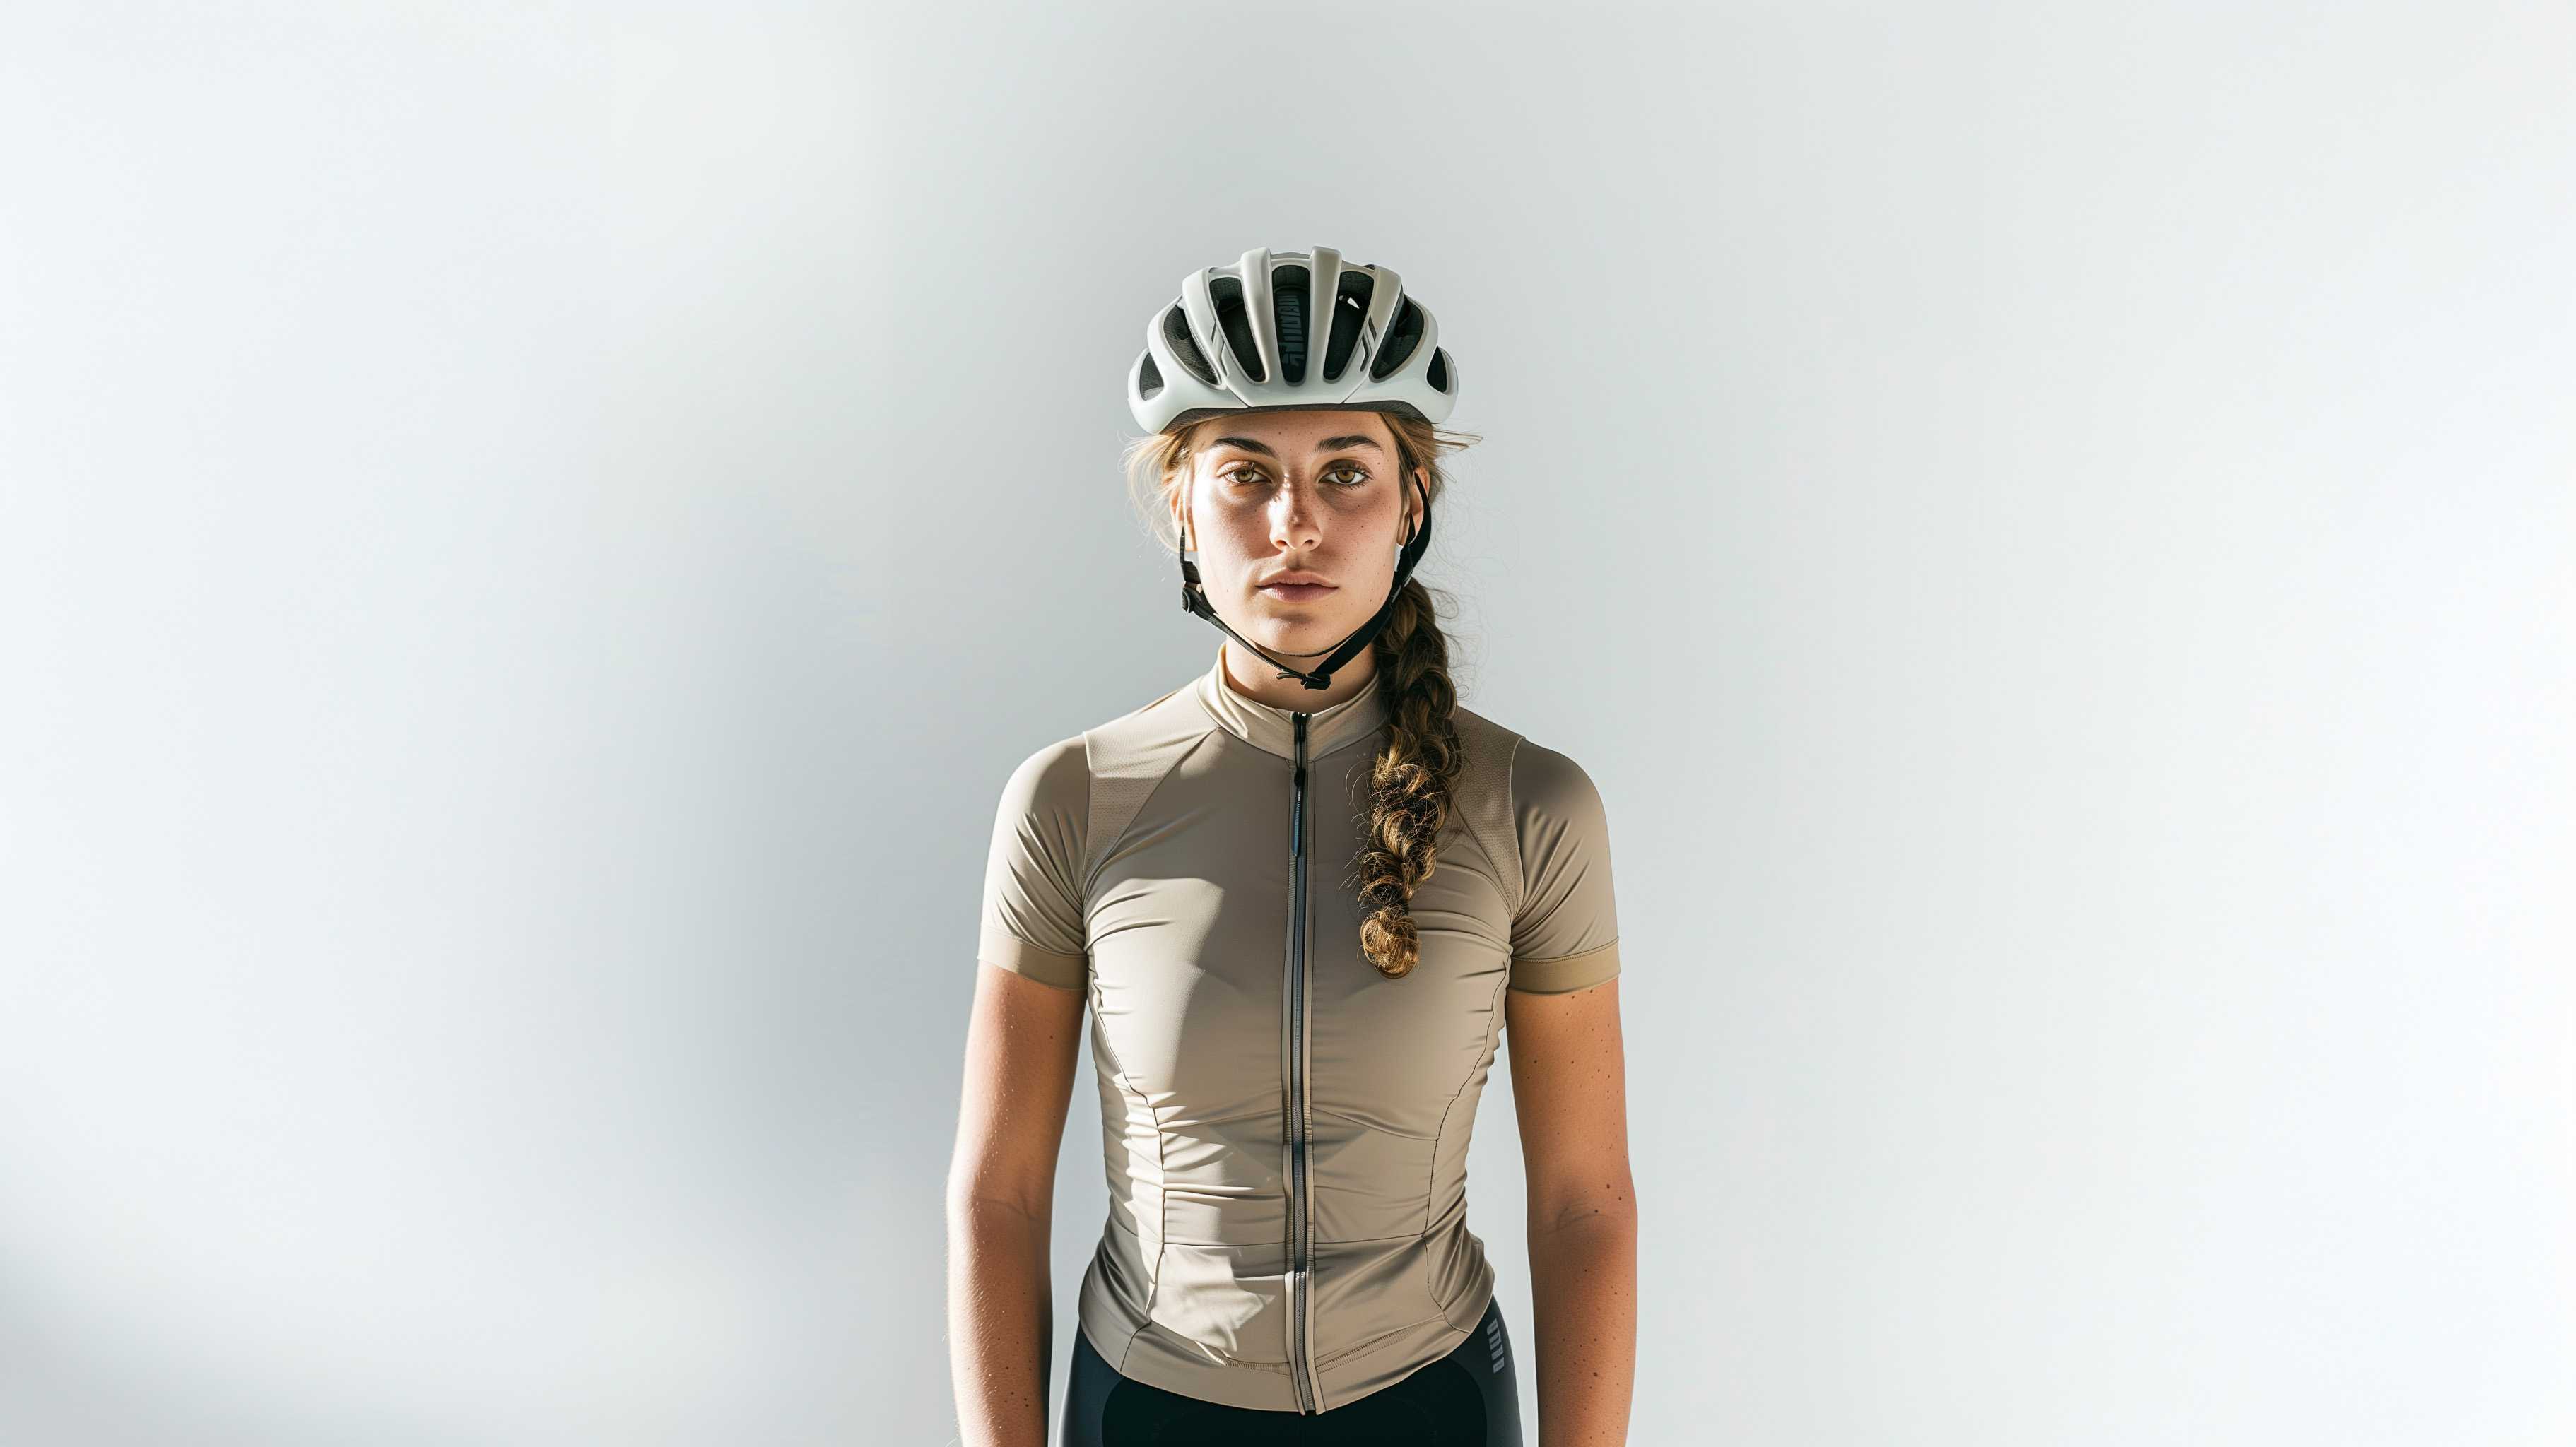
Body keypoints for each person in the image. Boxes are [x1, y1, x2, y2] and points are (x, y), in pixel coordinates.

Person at [946, 246, 1638, 1446]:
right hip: (1150, 1403)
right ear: (1180, 503)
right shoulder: (1072, 799)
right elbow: (998, 1196)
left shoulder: (1531, 806)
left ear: (1411, 503)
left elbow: (1585, 1202)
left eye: (1345, 472)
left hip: (1429, 1401)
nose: (1294, 523)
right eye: (1245, 473)